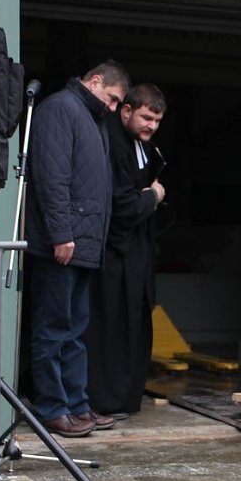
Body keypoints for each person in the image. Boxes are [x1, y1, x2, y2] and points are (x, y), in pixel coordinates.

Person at [25, 61, 130, 437]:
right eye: (113, 99)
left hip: (83, 244)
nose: (115, 109)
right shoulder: (59, 108)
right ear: (95, 81)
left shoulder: (91, 117)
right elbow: (51, 179)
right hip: (64, 243)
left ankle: (77, 405)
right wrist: (60, 235)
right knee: (53, 329)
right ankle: (52, 408)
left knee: (74, 330)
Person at [84, 83, 167, 418]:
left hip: (136, 255)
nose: (152, 126)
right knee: (110, 328)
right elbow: (119, 205)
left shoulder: (139, 144)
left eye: (158, 121)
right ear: (126, 110)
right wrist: (153, 197)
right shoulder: (113, 142)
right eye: (147, 118)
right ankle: (106, 400)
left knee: (133, 325)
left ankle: (125, 398)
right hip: (115, 257)